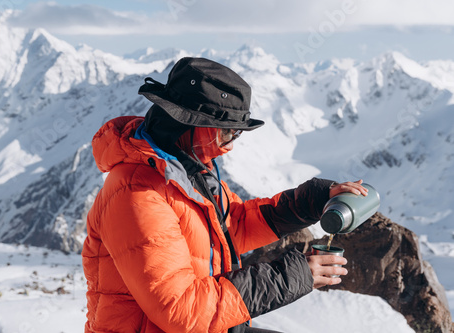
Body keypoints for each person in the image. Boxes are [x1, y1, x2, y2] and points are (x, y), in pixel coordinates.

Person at [82, 57, 368, 333]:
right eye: (226, 133)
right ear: (190, 124)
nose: (229, 146)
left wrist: (312, 201)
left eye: (236, 134)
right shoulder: (137, 194)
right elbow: (181, 311)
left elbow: (234, 225)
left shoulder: (186, 169)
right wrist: (295, 276)